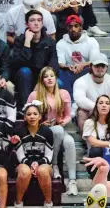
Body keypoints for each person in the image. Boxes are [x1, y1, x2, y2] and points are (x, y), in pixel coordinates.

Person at [27, 66, 77, 194]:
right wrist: (40, 122)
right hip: (41, 131)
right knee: (58, 131)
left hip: (59, 128)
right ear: (41, 80)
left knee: (70, 141)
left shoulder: (63, 93)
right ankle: (54, 165)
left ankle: (72, 180)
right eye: (46, 76)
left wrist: (63, 121)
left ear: (55, 78)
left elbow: (68, 115)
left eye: (51, 76)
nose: (49, 79)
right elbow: (27, 114)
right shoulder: (35, 95)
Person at [10, 10, 59, 109]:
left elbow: (53, 64)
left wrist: (42, 81)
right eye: (32, 20)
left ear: (42, 22)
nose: (36, 23)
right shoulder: (20, 40)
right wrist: (27, 42)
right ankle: (26, 107)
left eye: (39, 20)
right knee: (25, 71)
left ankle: (51, 109)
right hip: (25, 78)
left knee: (59, 82)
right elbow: (19, 64)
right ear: (26, 24)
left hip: (43, 76)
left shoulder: (49, 42)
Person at [14, 102, 54, 208]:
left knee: (43, 171)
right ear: (24, 117)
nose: (32, 116)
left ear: (40, 116)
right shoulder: (19, 131)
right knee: (25, 172)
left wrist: (38, 163)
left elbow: (49, 155)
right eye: (29, 114)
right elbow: (20, 156)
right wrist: (31, 164)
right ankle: (18, 204)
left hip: (43, 163)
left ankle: (48, 204)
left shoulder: (47, 131)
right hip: (24, 163)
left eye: (35, 114)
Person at [73, 53, 110, 134]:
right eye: (97, 66)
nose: (100, 68)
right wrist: (97, 108)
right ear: (91, 66)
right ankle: (88, 142)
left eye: (102, 66)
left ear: (107, 67)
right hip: (90, 112)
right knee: (81, 112)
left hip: (109, 112)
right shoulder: (81, 81)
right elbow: (79, 99)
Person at [82, 95, 110, 180]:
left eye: (107, 103)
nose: (104, 105)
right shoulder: (89, 122)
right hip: (97, 160)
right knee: (95, 150)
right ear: (96, 106)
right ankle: (98, 179)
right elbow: (93, 142)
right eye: (101, 103)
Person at [57, 15, 100, 100]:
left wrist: (83, 65)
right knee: (60, 71)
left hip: (86, 72)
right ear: (67, 28)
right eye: (70, 26)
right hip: (69, 72)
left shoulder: (91, 41)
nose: (73, 29)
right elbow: (60, 62)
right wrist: (68, 67)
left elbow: (96, 60)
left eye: (76, 26)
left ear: (81, 27)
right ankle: (69, 100)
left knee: (95, 68)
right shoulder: (61, 43)